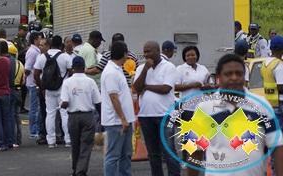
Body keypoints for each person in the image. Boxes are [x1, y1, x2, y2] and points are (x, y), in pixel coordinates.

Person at [186, 54, 283, 176]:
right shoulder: (204, 108)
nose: (234, 77)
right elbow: (195, 151)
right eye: (228, 74)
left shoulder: (261, 105)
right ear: (219, 77)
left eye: (239, 73)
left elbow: (277, 145)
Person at [132, 41, 179, 176]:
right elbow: (136, 88)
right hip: (145, 115)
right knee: (153, 154)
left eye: (149, 51)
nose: (146, 54)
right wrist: (146, 70)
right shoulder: (142, 68)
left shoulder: (168, 67)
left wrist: (147, 87)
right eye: (145, 52)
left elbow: (166, 88)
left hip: (165, 115)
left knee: (169, 151)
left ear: (158, 51)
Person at [60, 56, 101, 176]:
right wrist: (102, 119)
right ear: (84, 68)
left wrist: (63, 105)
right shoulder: (90, 82)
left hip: (73, 117)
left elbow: (64, 102)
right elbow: (98, 102)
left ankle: (75, 169)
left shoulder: (67, 82)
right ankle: (81, 171)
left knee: (75, 144)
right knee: (86, 145)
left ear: (72, 68)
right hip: (88, 116)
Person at [101, 41, 135, 176]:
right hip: (117, 122)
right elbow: (113, 97)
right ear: (124, 53)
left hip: (124, 120)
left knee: (125, 155)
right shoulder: (111, 72)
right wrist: (123, 119)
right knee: (113, 156)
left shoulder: (118, 69)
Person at [34, 35, 73, 149]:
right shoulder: (65, 57)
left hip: (48, 90)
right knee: (64, 114)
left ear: (50, 45)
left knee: (50, 114)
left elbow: (36, 74)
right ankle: (68, 140)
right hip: (63, 90)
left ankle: (51, 141)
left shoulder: (42, 57)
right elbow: (71, 71)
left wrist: (42, 87)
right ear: (61, 45)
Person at [261, 36, 283, 128]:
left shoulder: (265, 63)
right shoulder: (279, 64)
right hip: (280, 103)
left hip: (269, 101)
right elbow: (281, 87)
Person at [25, 31, 43, 140]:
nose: (41, 41)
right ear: (35, 39)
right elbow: (27, 68)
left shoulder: (36, 51)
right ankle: (33, 130)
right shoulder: (33, 52)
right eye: (40, 39)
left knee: (36, 107)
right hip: (33, 83)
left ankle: (35, 129)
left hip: (33, 82)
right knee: (34, 108)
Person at [8, 43, 25, 147]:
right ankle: (18, 139)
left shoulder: (8, 64)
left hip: (10, 89)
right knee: (17, 116)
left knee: (10, 116)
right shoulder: (20, 64)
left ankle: (12, 139)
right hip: (18, 90)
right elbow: (23, 81)